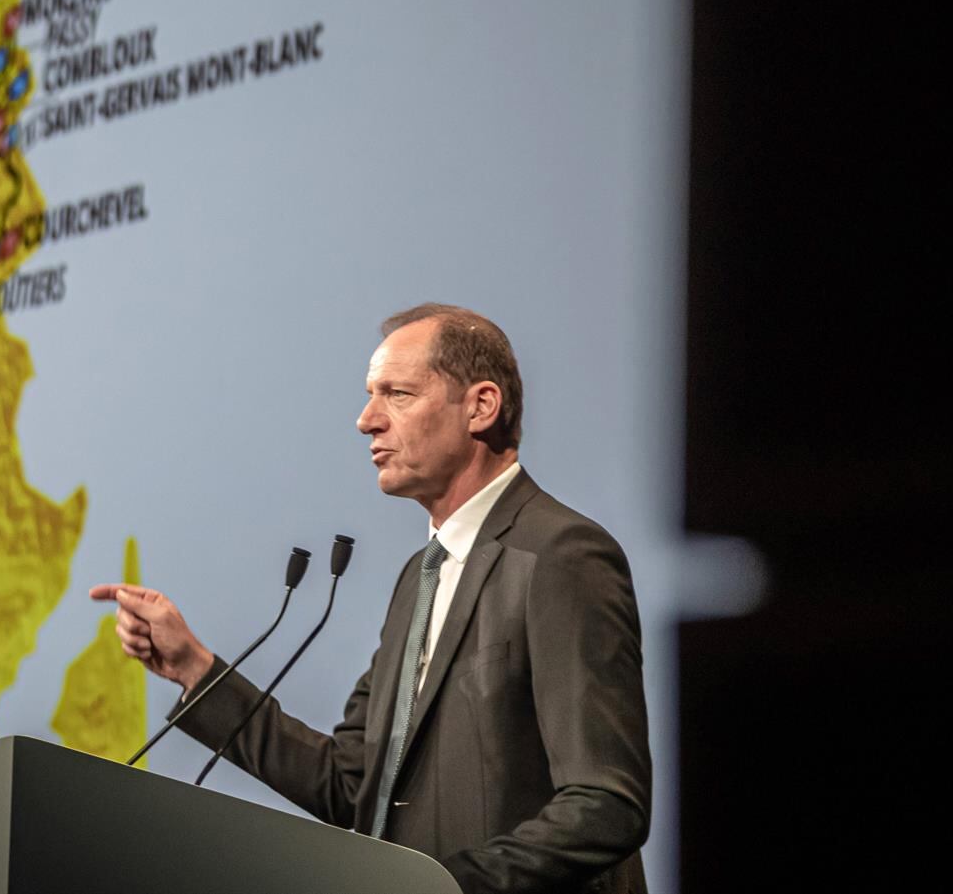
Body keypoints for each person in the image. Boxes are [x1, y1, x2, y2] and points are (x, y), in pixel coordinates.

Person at [91, 304, 650, 894]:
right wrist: (194, 669)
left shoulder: (561, 555)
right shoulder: (420, 578)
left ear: (480, 407)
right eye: (369, 395)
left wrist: (443, 886)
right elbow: (352, 785)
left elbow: (605, 803)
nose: (366, 420)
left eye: (398, 394)